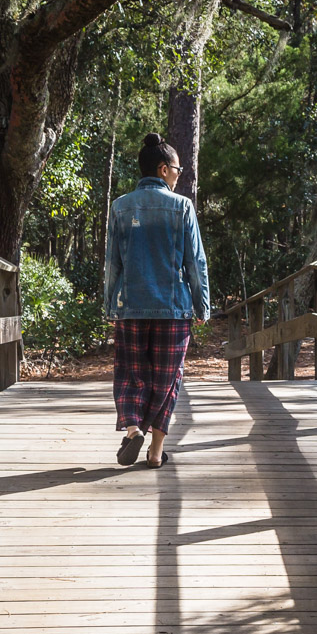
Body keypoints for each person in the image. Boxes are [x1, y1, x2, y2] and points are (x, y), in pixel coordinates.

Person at [103, 133, 210, 468]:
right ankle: (155, 453)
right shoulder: (182, 207)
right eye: (178, 169)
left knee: (130, 373)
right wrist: (202, 304)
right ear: (164, 169)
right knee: (167, 378)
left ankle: (134, 429)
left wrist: (109, 305)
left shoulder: (120, 206)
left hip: (131, 307)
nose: (180, 175)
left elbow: (112, 263)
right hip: (173, 308)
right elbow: (196, 261)